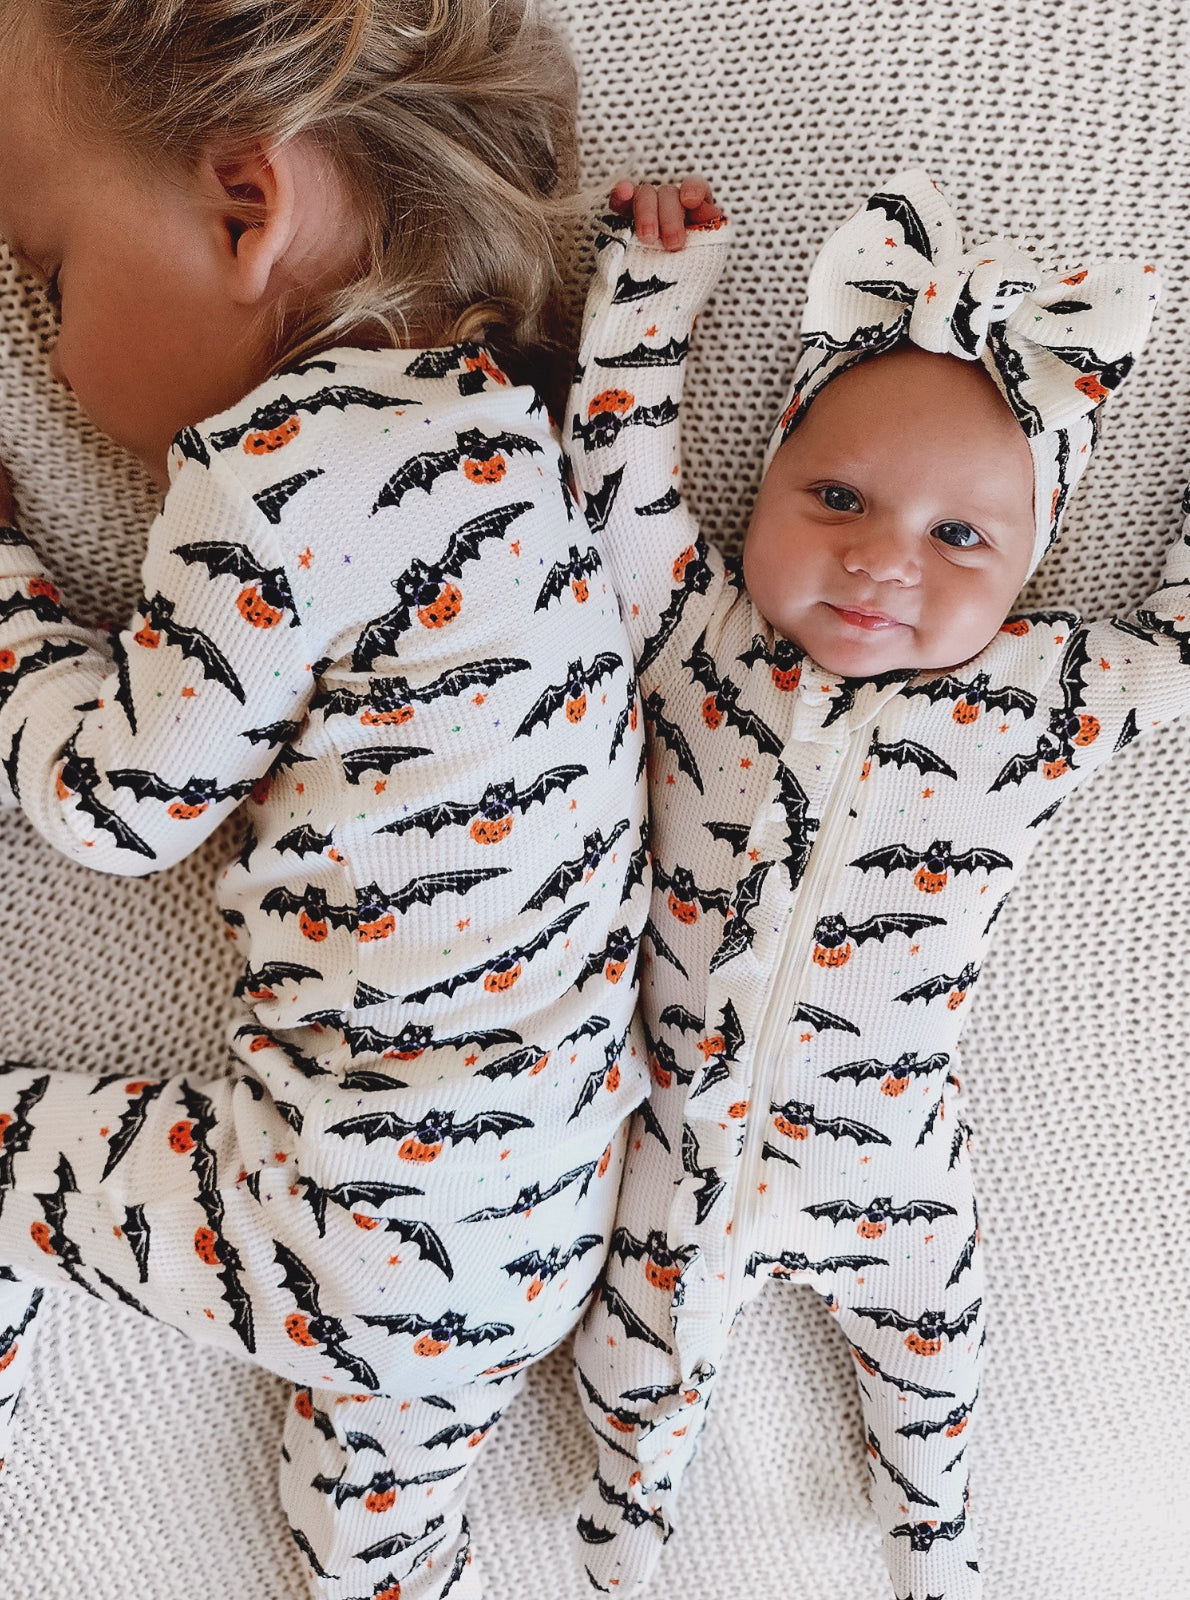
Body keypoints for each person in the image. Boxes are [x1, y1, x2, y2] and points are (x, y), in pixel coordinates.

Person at [0, 5, 649, 1597]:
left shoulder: (278, 466)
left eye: (54, 270)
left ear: (246, 206)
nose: (41, 336)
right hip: (536, 1230)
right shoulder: (513, 439)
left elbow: (121, 799)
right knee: (366, 1558)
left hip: (354, 1213)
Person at [567, 169, 1163, 1599]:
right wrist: (653, 293)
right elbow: (613, 474)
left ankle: (935, 1536)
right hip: (674, 1131)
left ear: (1028, 569)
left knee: (938, 1343)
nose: (881, 561)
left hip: (892, 1153)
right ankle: (615, 1533)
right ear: (767, 475)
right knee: (634, 1353)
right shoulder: (694, 638)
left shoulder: (1044, 697)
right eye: (833, 496)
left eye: (960, 539)